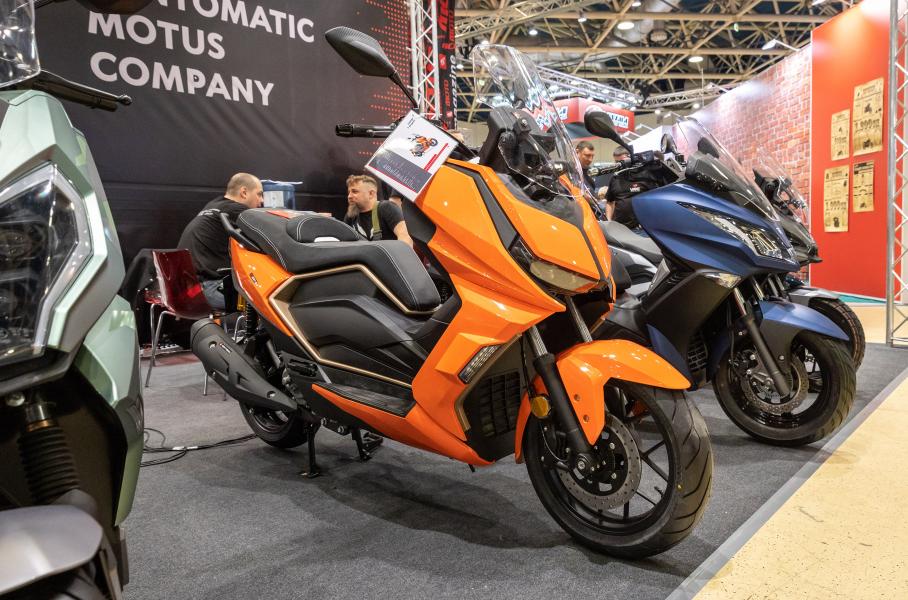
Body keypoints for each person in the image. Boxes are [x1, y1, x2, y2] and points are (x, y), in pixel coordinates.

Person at [177, 173, 263, 310]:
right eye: (259, 194)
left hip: (188, 289)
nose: (261, 201)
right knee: (266, 304)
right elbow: (268, 235)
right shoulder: (237, 210)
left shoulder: (214, 205)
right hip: (208, 288)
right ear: (244, 192)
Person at [344, 174, 413, 248]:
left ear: (371, 194)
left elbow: (405, 237)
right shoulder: (350, 216)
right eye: (349, 192)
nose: (349, 196)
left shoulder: (386, 208)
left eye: (354, 191)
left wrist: (401, 254)